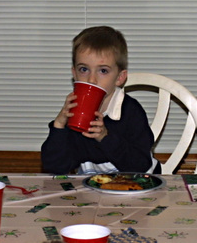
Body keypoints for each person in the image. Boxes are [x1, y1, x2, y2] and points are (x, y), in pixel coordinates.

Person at [40, 26, 158, 175]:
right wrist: (59, 126)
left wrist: (105, 137)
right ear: (74, 74)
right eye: (84, 69)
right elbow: (54, 166)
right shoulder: (75, 112)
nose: (91, 79)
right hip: (92, 185)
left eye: (103, 71)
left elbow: (140, 164)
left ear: (120, 77)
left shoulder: (130, 111)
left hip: (138, 181)